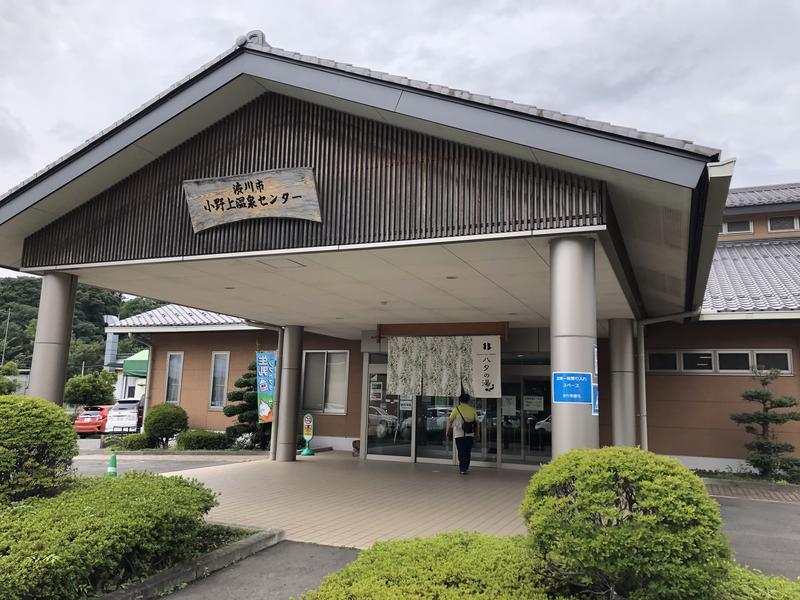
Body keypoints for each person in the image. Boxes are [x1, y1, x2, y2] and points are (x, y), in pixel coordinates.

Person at [446, 393, 480, 475]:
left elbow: (450, 420)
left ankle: (462, 468)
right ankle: (466, 467)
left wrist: (447, 431)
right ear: (468, 400)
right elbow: (477, 423)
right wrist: (477, 433)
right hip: (470, 434)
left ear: (460, 400)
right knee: (468, 451)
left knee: (461, 451)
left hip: (459, 434)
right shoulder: (472, 410)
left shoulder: (456, 409)